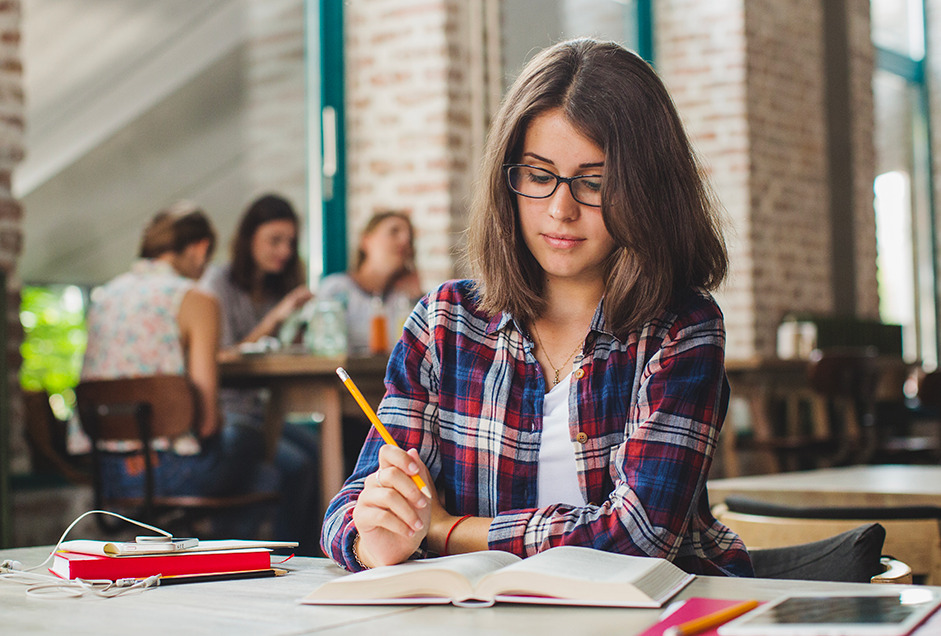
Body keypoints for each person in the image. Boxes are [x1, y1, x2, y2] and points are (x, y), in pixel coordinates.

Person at [321, 39, 752, 577]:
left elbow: (639, 537)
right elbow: (350, 508)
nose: (560, 209)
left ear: (647, 190)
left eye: (594, 183)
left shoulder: (682, 328)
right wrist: (375, 540)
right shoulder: (444, 323)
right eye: (538, 175)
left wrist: (444, 530)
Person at [80, 202, 276, 538]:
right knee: (257, 447)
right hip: (172, 470)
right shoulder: (195, 299)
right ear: (200, 249)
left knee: (270, 470)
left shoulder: (104, 297)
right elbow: (208, 422)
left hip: (106, 473)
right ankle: (222, 562)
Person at [199, 194, 319, 550]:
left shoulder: (274, 287)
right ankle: (288, 556)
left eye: (290, 242)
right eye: (274, 240)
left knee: (320, 452)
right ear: (249, 238)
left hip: (266, 410)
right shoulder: (217, 283)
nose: (284, 251)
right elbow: (220, 357)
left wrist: (297, 324)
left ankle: (312, 553)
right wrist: (275, 319)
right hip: (229, 411)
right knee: (296, 465)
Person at [315, 211, 422, 354]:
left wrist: (418, 300)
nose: (404, 240)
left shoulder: (406, 298)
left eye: (409, 237)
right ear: (366, 240)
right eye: (394, 232)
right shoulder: (336, 289)